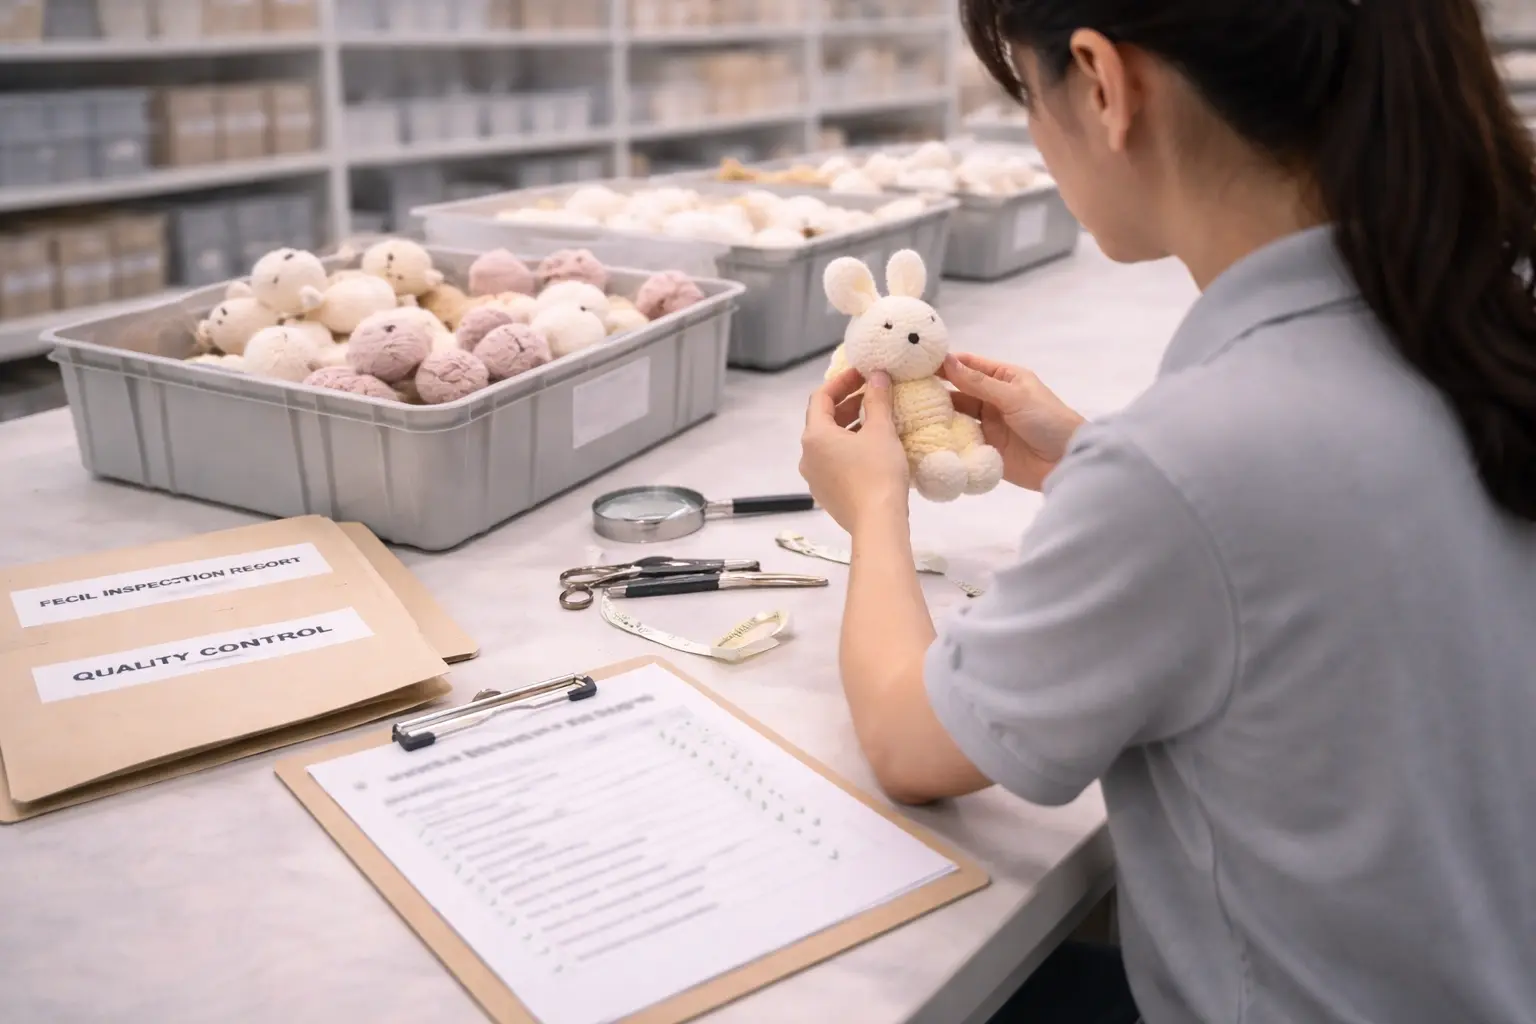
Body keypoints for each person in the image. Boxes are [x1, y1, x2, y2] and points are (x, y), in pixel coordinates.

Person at [798, 1, 1536, 1022]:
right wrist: (1088, 459)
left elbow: (911, 743)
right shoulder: (1481, 318)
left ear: (1103, 83)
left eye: (1025, 90)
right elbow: (1320, 535)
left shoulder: (1188, 462)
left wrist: (873, 507)